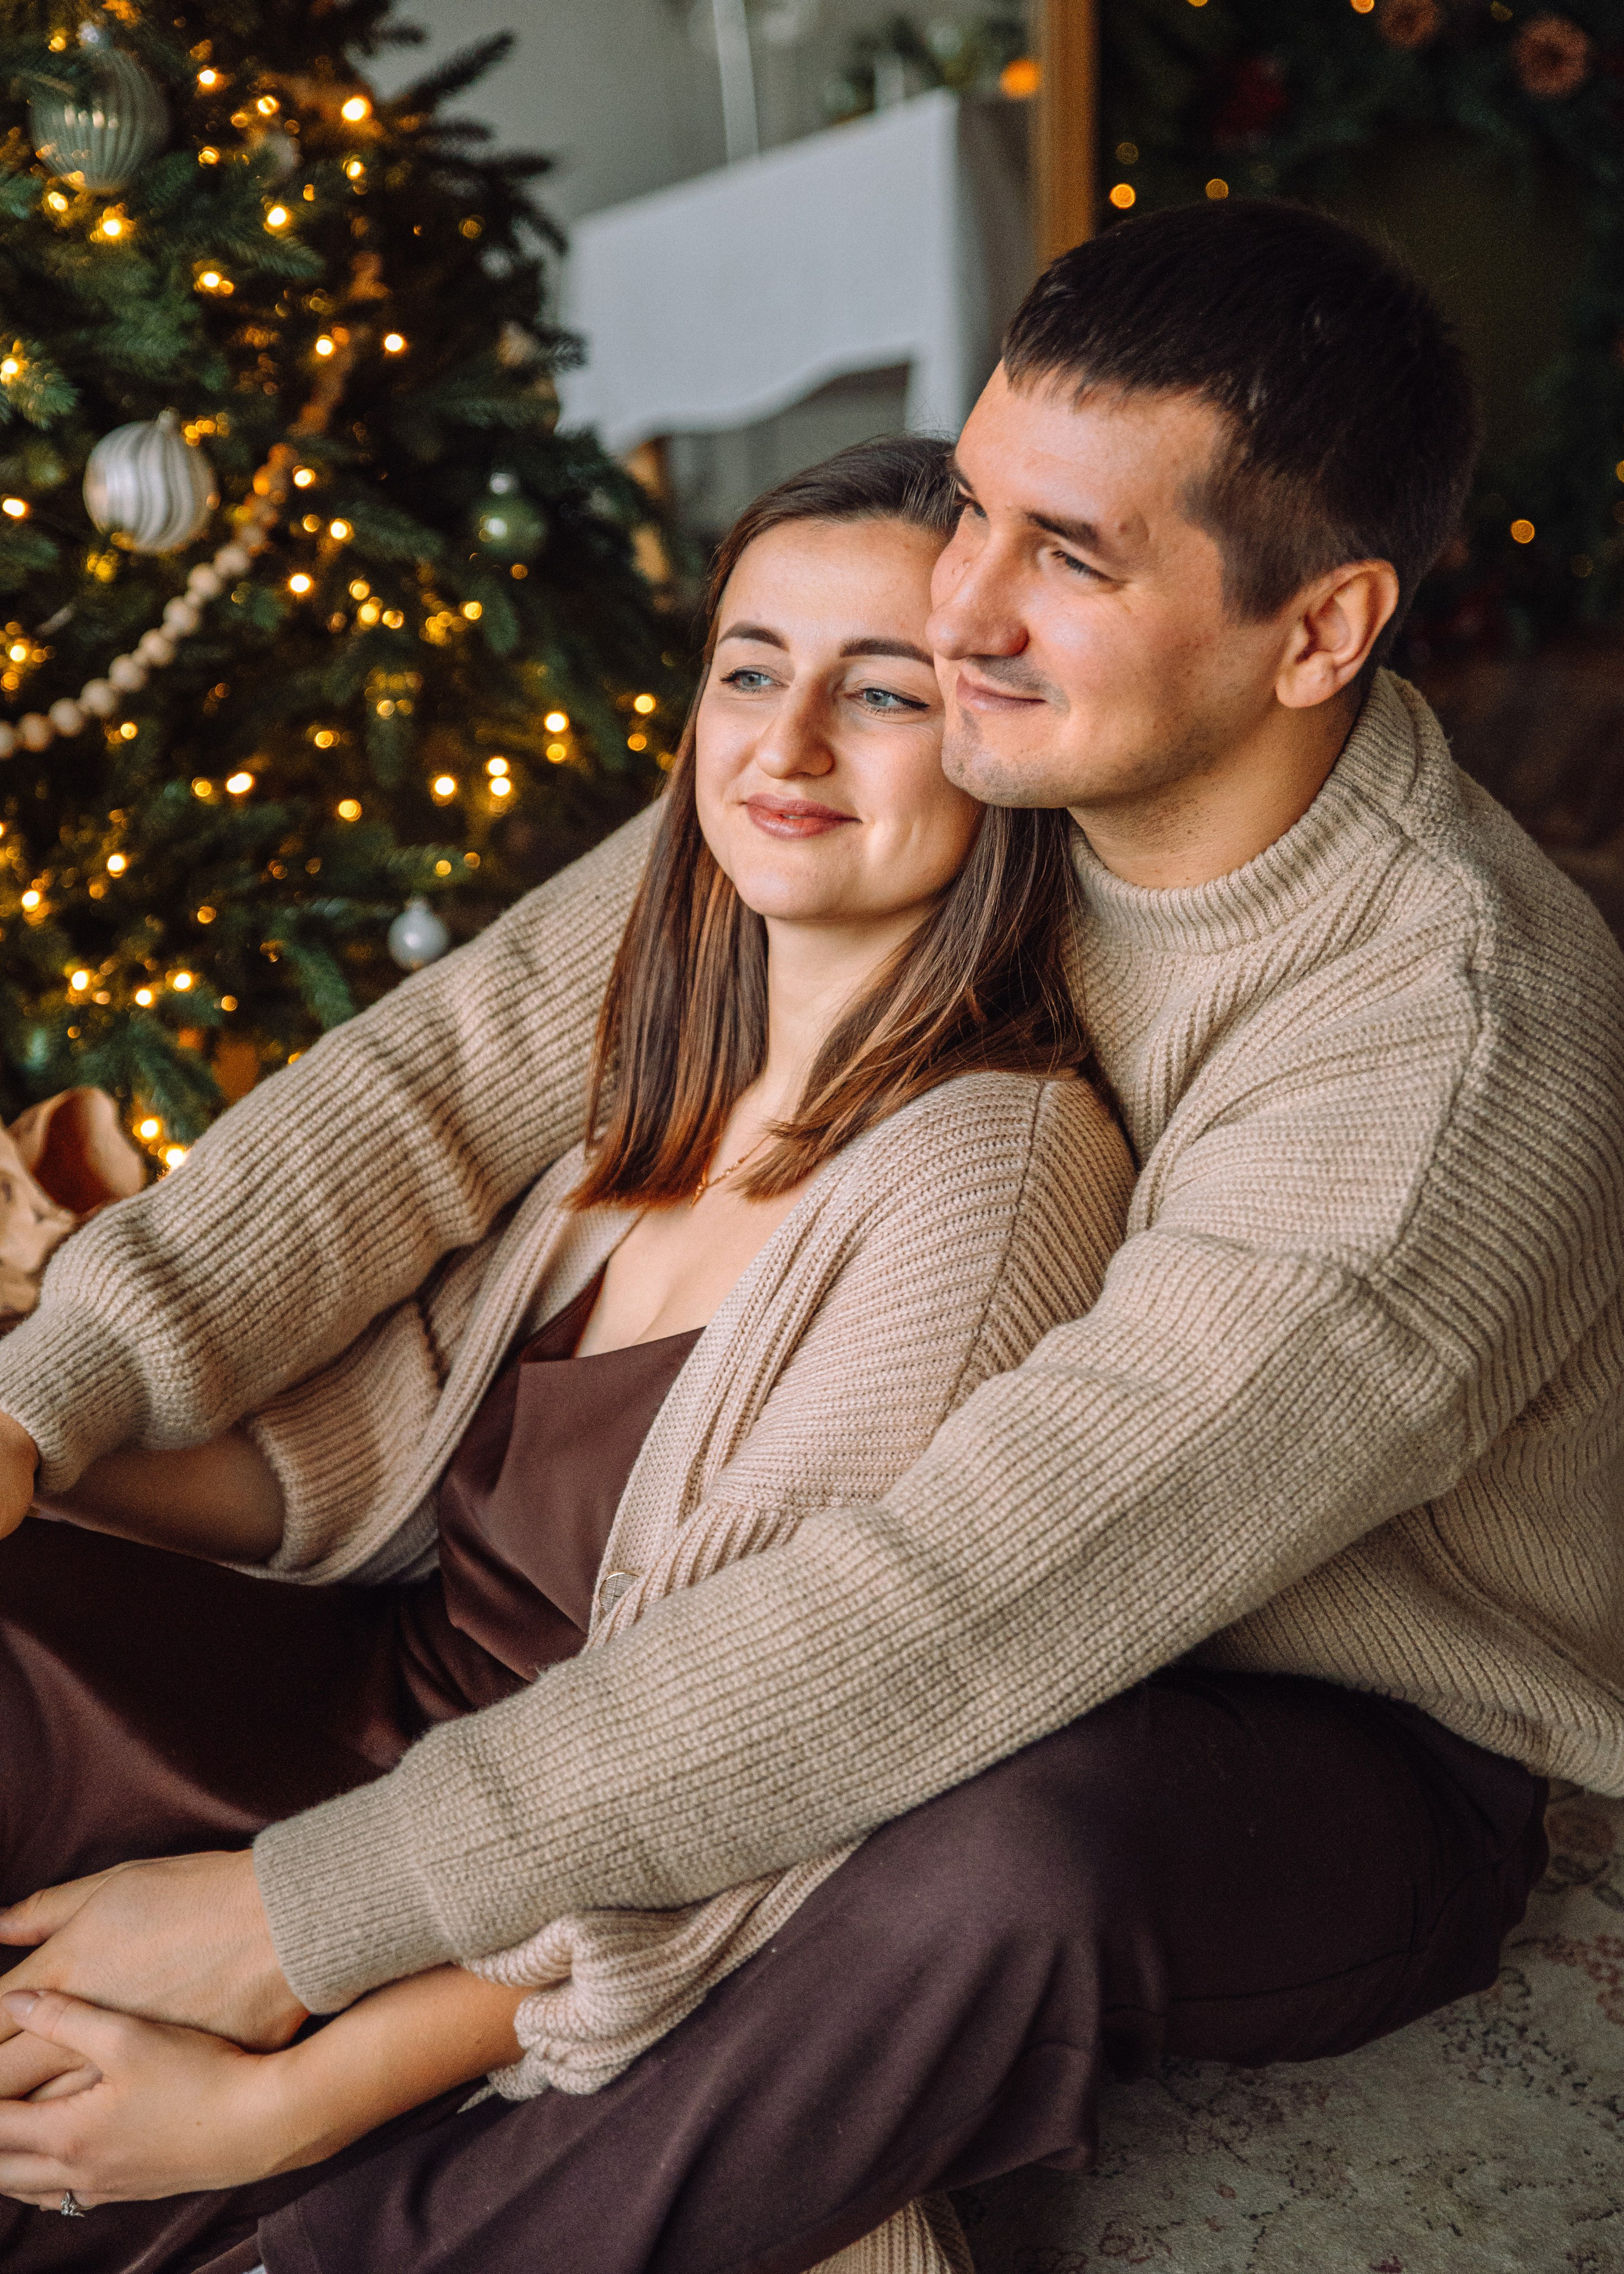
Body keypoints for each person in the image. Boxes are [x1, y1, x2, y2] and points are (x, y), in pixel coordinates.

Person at [0, 197, 1619, 2273]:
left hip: (1345, 1720)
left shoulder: (1436, 1066)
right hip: (973, 1555)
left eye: (1073, 557)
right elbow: (459, 1063)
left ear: (1318, 633)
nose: (964, 612)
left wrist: (296, 1937)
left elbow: (955, 1605)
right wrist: (51, 1396)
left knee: (1003, 1846)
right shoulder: (1003, 733)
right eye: (977, 511)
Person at [0, 438, 1131, 2269]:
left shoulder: (987, 1176)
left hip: (514, 1916)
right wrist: (37, 1438)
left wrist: (284, 2084)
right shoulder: (665, 1057)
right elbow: (366, 1455)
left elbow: (760, 1791)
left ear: (999, 743)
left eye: (884, 694)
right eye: (750, 670)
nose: (784, 747)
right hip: (343, 1714)